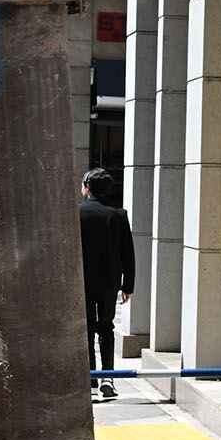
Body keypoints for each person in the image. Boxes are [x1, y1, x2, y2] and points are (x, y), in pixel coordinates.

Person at [78, 168, 134, 400]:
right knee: (106, 327)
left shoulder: (76, 213)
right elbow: (128, 253)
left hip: (83, 282)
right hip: (110, 282)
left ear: (87, 187)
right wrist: (128, 285)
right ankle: (108, 377)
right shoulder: (118, 215)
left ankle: (90, 379)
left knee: (88, 329)